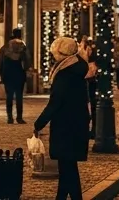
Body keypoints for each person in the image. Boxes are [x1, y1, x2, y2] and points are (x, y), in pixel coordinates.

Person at [35, 37, 90, 200]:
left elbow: (55, 102)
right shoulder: (76, 68)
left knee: (67, 167)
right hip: (76, 122)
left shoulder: (66, 73)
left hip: (66, 125)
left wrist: (39, 123)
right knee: (68, 167)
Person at [0, 27, 33, 124]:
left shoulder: (5, 47)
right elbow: (27, 60)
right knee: (19, 96)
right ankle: (19, 117)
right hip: (19, 73)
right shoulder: (23, 47)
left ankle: (9, 117)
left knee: (9, 96)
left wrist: (0, 72)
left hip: (7, 73)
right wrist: (27, 70)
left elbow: (0, 60)